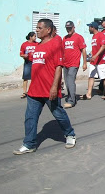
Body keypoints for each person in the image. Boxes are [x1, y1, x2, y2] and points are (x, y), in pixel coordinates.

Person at [13, 19, 76, 155]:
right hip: (34, 90)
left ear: (48, 30)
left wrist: (54, 87)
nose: (37, 30)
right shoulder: (36, 46)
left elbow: (58, 67)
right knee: (30, 117)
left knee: (58, 114)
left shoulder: (55, 44)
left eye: (40, 28)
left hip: (49, 90)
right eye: (37, 27)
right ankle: (29, 144)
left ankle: (70, 134)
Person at [62, 21, 87, 108]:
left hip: (74, 64)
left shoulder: (79, 37)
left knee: (70, 81)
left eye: (70, 28)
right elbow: (62, 51)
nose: (68, 30)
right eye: (67, 28)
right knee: (67, 82)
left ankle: (71, 101)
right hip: (65, 64)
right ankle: (70, 96)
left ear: (74, 27)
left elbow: (83, 50)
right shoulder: (64, 38)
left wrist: (84, 63)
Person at [83, 22, 105, 99]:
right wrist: (89, 55)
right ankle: (89, 94)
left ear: (93, 27)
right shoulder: (94, 36)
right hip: (94, 61)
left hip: (101, 61)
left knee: (103, 78)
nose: (88, 29)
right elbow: (94, 49)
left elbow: (103, 46)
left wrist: (96, 55)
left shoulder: (101, 35)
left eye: (89, 27)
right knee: (91, 76)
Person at [20, 32, 38, 98]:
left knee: (35, 77)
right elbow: (21, 53)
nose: (35, 38)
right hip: (27, 62)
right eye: (34, 36)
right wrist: (24, 55)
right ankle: (24, 92)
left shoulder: (37, 44)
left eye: (35, 36)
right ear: (30, 37)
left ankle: (33, 91)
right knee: (25, 78)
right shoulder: (24, 44)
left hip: (35, 62)